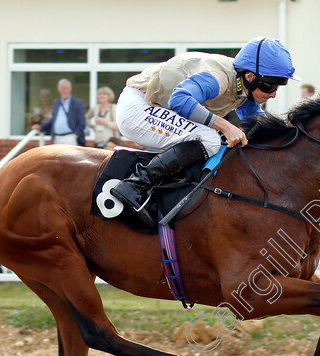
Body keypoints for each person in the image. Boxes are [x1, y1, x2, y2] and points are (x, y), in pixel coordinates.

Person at [110, 37, 298, 227]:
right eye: (271, 85)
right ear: (250, 76)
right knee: (210, 139)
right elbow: (180, 99)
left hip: (155, 108)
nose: (274, 93)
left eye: (279, 86)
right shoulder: (218, 78)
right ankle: (134, 185)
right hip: (138, 106)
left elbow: (258, 124)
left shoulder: (244, 86)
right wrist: (226, 126)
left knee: (211, 138)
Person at [36, 79, 86, 146]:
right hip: (57, 138)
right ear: (59, 89)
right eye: (62, 88)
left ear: (70, 89)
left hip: (70, 137)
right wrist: (41, 127)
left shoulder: (77, 103)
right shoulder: (56, 102)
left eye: (66, 88)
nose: (64, 91)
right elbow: (53, 119)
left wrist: (76, 134)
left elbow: (82, 121)